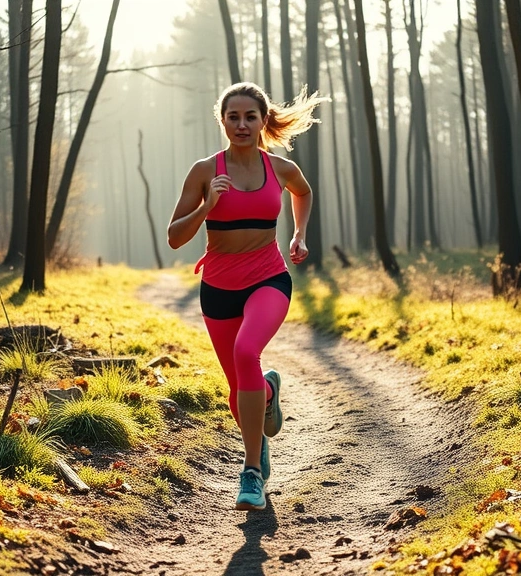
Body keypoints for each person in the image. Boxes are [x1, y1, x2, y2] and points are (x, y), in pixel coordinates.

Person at [167, 82, 326, 511]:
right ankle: (267, 398)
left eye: (250, 117)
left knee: (245, 351)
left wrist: (299, 233)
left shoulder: (280, 169)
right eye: (233, 117)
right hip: (218, 287)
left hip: (268, 279)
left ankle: (251, 472)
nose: (241, 124)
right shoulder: (204, 171)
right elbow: (174, 237)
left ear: (262, 121)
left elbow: (304, 192)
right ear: (222, 121)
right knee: (239, 388)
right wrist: (207, 205)